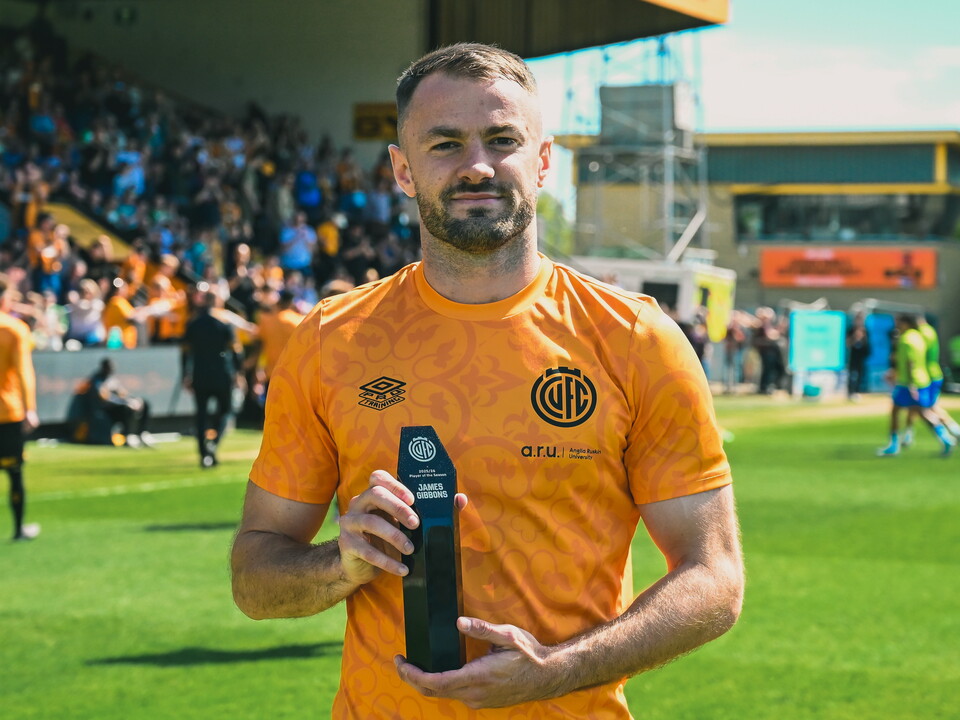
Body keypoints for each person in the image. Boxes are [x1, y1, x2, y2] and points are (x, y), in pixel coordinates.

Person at [231, 43, 743, 719]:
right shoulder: (331, 340)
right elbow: (254, 574)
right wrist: (341, 563)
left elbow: (714, 578)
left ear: (543, 161)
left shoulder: (634, 339)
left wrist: (558, 672)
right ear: (402, 170)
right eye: (444, 144)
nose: (476, 165)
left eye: (502, 140)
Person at [182, 287, 244, 468]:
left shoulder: (193, 324)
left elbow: (185, 352)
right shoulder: (223, 323)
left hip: (200, 374)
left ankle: (203, 452)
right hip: (222, 373)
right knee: (226, 410)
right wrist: (238, 373)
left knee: (201, 414)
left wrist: (185, 374)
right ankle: (213, 444)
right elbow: (236, 351)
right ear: (217, 302)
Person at [877, 314, 955, 457]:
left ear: (906, 323)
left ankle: (895, 445)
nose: (897, 325)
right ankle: (945, 437)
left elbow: (910, 362)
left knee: (914, 412)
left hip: (909, 383)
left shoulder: (906, 339)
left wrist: (911, 383)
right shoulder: (918, 336)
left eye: (899, 322)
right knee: (921, 411)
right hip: (922, 379)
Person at [0, 278, 40, 540]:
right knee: (14, 472)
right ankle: (18, 529)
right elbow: (25, 371)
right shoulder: (14, 329)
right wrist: (30, 408)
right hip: (8, 410)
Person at [902, 315, 960, 446]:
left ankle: (948, 436)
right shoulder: (930, 331)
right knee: (928, 407)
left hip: (926, 376)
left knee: (922, 409)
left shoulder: (919, 334)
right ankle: (954, 431)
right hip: (932, 373)